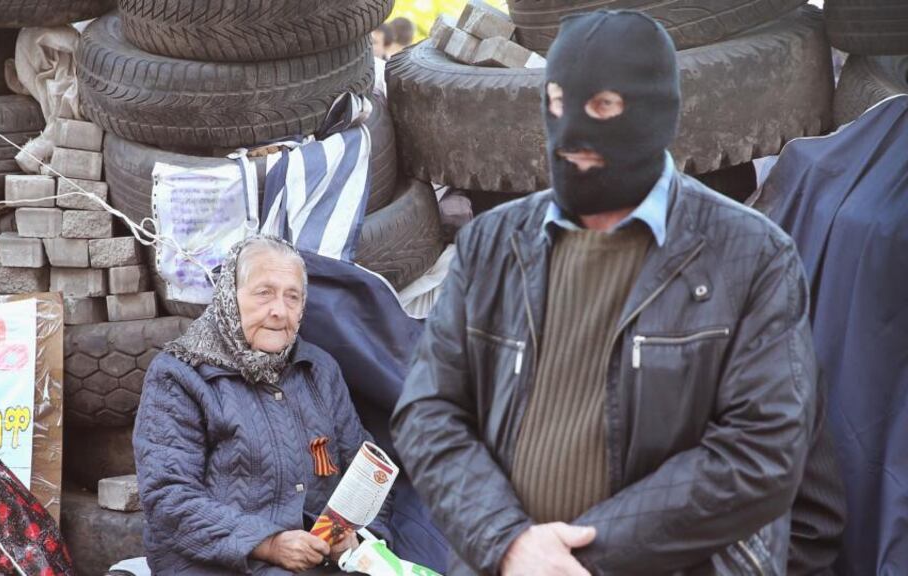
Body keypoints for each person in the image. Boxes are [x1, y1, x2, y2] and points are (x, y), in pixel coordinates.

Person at [391, 10, 839, 575]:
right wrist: (507, 543)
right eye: (556, 102)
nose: (573, 129)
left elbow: (759, 452)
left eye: (602, 106)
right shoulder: (491, 244)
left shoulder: (751, 255)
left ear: (658, 112)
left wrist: (577, 557)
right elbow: (428, 412)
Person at [134, 236, 390, 575]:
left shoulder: (319, 369)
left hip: (315, 562)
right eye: (263, 292)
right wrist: (268, 543)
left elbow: (363, 466)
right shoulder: (179, 375)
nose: (278, 310)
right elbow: (168, 497)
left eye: (292, 297)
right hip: (219, 564)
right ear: (230, 296)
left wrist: (353, 538)